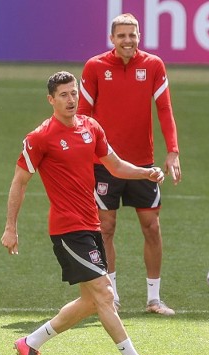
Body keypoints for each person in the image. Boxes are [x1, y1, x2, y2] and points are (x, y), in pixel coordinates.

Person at [2, 71, 170, 355]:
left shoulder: (91, 127)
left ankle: (30, 343)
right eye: (63, 95)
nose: (71, 99)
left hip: (90, 225)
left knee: (91, 301)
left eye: (74, 93)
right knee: (105, 294)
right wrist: (10, 227)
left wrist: (144, 173)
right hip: (68, 230)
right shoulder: (39, 137)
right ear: (51, 100)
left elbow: (116, 165)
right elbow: (19, 182)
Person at [77, 13, 181, 315]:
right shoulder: (95, 67)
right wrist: (84, 156)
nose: (127, 40)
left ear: (139, 36)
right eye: (121, 35)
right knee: (105, 228)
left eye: (132, 35)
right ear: (112, 39)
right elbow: (83, 114)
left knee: (151, 227)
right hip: (104, 164)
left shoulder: (153, 66)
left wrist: (172, 150)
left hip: (142, 165)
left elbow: (164, 108)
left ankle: (153, 299)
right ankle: (111, 296)